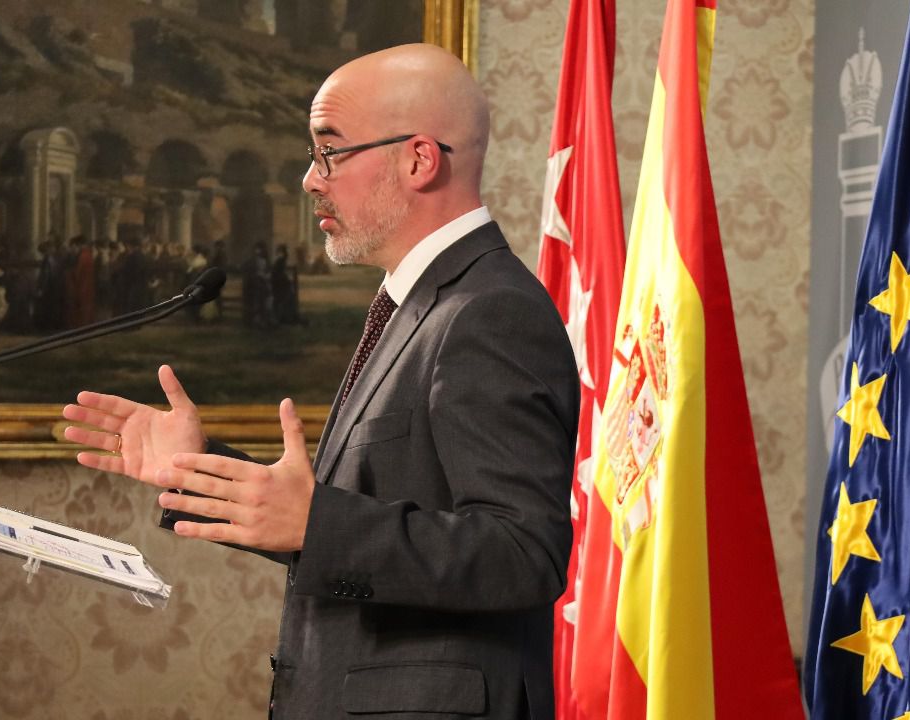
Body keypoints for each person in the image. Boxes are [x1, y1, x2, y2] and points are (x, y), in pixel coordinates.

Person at [62, 44, 577, 720]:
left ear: (419, 160)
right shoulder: (418, 304)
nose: (309, 178)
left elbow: (523, 552)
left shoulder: (488, 312)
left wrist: (315, 523)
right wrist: (200, 468)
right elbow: (357, 511)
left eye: (329, 152)